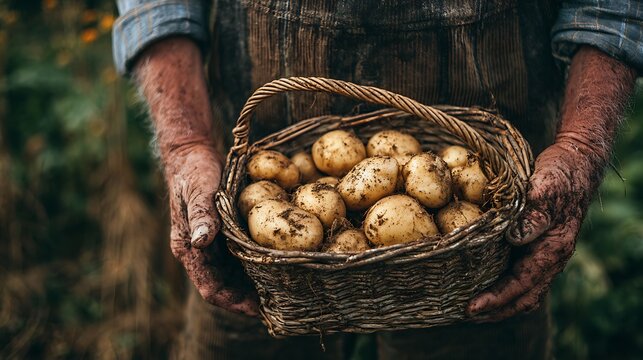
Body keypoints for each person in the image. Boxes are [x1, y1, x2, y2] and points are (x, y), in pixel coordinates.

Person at [113, 1, 640, 358]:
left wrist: (581, 146)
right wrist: (185, 146)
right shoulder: (273, 191)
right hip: (257, 165)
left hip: (484, 211)